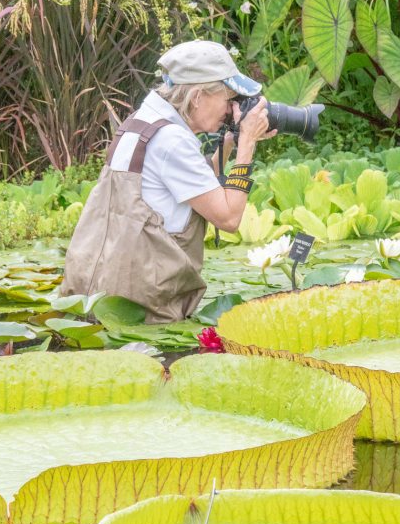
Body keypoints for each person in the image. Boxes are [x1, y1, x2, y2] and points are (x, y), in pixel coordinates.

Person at [61, 40, 276, 322]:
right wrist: (247, 145)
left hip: (102, 296)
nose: (229, 109)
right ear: (198, 96)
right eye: (227, 99)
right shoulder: (172, 141)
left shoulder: (141, 124)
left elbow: (200, 189)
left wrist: (229, 143)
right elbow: (228, 218)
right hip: (146, 311)